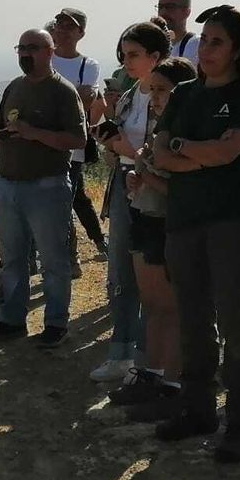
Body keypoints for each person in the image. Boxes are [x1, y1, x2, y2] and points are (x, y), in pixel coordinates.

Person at [150, 5, 240, 463]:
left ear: (239, 49)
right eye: (204, 40)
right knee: (192, 319)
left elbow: (228, 153)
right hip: (185, 219)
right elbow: (158, 153)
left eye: (217, 42)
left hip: (233, 221)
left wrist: (186, 149)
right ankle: (198, 409)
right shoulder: (184, 93)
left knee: (238, 325)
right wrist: (194, 153)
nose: (206, 49)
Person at [0, 28, 86, 347]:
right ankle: (13, 320)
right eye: (21, 48)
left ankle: (56, 323)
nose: (25, 54)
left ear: (50, 52)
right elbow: (5, 125)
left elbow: (78, 140)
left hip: (47, 186)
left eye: (33, 48)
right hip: (9, 185)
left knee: (53, 260)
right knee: (12, 259)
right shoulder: (15, 87)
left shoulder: (63, 92)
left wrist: (33, 133)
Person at [108, 56, 196, 422]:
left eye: (163, 90)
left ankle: (171, 383)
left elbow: (182, 190)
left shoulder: (186, 134)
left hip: (167, 225)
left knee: (170, 308)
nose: (156, 97)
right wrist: (136, 181)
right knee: (153, 305)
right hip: (145, 217)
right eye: (154, 90)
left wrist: (144, 172)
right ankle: (153, 374)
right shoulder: (158, 128)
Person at [89, 20, 170, 382]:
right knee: (120, 271)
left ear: (156, 56)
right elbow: (117, 147)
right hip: (123, 184)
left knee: (149, 276)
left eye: (134, 54)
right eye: (123, 54)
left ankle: (144, 356)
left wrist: (127, 149)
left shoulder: (167, 98)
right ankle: (120, 351)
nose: (126, 61)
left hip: (152, 191)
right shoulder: (128, 96)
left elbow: (163, 155)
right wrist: (111, 143)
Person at [49, 7, 108, 274]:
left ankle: (71, 257)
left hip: (72, 145)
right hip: (44, 143)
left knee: (65, 200)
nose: (61, 28)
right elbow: (79, 97)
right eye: (59, 23)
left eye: (69, 26)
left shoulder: (89, 64)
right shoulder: (45, 56)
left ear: (81, 33)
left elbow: (86, 101)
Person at [156, 0, 199, 64]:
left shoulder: (195, 45)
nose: (163, 12)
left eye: (170, 7)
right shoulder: (154, 50)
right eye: (160, 7)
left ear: (187, 12)